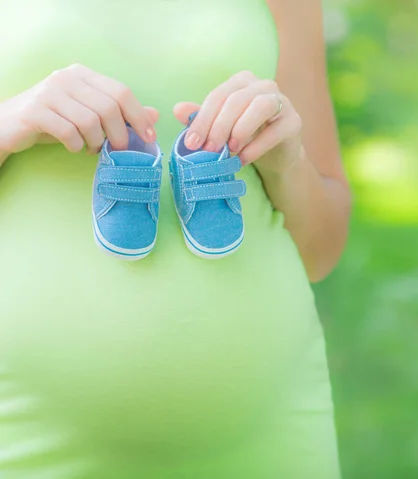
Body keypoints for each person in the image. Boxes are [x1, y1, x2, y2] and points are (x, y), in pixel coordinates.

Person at [0, 0, 351, 477]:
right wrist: (10, 122)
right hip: (22, 429)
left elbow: (320, 250)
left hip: (271, 434)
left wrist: (286, 161)